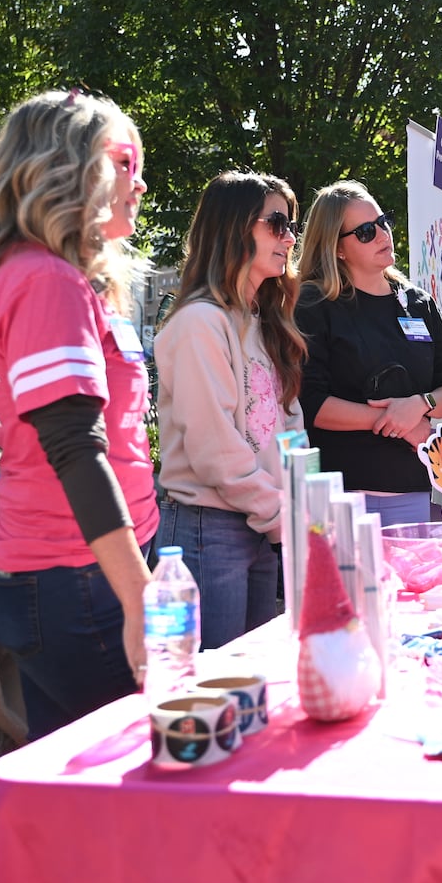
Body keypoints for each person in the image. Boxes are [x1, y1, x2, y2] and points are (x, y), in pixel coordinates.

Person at [0, 89, 157, 739]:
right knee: (124, 793)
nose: (141, 185)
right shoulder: (44, 281)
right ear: (75, 164)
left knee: (84, 790)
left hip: (82, 571)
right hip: (76, 577)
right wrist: (140, 594)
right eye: (128, 162)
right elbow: (72, 447)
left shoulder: (52, 276)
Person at [153, 172, 306, 649]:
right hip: (208, 527)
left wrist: (299, 504)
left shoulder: (262, 322)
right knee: (215, 692)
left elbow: (289, 430)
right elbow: (214, 447)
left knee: (253, 684)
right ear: (234, 227)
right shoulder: (201, 322)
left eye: (291, 225)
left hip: (260, 523)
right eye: (276, 223)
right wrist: (283, 518)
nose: (289, 238)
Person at [294, 181, 442, 527]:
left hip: (416, 489)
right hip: (344, 496)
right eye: (367, 231)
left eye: (383, 222)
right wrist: (397, 422)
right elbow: (311, 402)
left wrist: (419, 405)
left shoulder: (418, 303)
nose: (383, 234)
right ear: (336, 248)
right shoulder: (315, 304)